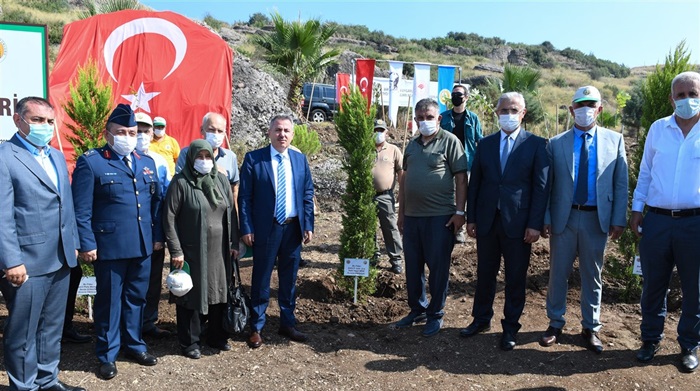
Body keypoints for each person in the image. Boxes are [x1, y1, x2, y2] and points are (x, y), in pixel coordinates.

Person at [72, 103, 163, 380]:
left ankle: (134, 344)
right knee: (109, 302)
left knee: (137, 298)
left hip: (142, 245)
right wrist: (87, 243)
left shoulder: (146, 162)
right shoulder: (92, 161)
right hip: (109, 247)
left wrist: (157, 238)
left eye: (132, 131)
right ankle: (107, 354)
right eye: (121, 131)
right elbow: (82, 209)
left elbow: (154, 204)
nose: (128, 136)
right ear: (108, 133)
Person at [0, 96, 85, 391]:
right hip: (27, 262)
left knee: (51, 328)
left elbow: (67, 205)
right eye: (37, 120)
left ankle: (47, 381)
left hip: (60, 258)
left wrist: (72, 243)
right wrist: (11, 260)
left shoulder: (56, 156)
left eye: (50, 121)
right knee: (24, 332)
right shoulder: (5, 156)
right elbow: (2, 215)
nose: (45, 127)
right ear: (18, 120)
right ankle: (24, 386)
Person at [540, 86, 628, 354]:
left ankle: (591, 327)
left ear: (599, 109)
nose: (585, 109)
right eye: (580, 104)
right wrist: (545, 217)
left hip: (596, 219)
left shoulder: (615, 140)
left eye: (591, 104)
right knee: (558, 274)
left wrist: (619, 219)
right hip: (563, 219)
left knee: (593, 275)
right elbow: (548, 185)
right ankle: (555, 323)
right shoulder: (555, 143)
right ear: (571, 109)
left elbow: (620, 183)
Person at [461, 92, 550, 350]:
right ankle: (480, 319)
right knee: (485, 274)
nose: (508, 115)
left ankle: (510, 327)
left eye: (514, 110)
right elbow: (475, 183)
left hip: (520, 224)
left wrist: (535, 223)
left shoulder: (536, 144)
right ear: (496, 113)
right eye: (504, 110)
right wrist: (472, 217)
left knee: (515, 278)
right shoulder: (485, 144)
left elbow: (541, 187)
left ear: (523, 114)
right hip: (488, 221)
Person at [629, 71, 700, 373]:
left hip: (695, 223)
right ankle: (650, 339)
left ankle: (689, 345)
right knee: (654, 285)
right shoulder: (659, 129)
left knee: (694, 288)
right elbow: (645, 171)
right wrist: (636, 208)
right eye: (680, 95)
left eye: (692, 93)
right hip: (656, 221)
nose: (686, 100)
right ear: (671, 98)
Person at [239, 114, 314, 349]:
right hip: (266, 229)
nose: (282, 135)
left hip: (293, 228)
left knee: (289, 278)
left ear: (292, 134)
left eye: (287, 131)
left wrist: (308, 225)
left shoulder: (299, 160)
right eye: (278, 130)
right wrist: (247, 227)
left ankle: (287, 323)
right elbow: (245, 198)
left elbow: (308, 194)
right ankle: (257, 326)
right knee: (261, 278)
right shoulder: (254, 159)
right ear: (269, 133)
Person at [393, 98, 468, 337]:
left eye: (429, 117)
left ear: (439, 119)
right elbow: (404, 179)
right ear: (415, 120)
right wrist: (401, 212)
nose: (425, 121)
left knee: (438, 268)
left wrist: (459, 212)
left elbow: (461, 177)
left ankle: (436, 314)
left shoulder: (450, 142)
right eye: (421, 118)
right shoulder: (412, 146)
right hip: (412, 218)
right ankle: (418, 309)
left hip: (440, 217)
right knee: (413, 268)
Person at [164, 139, 239, 359]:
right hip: (191, 250)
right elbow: (168, 218)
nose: (205, 161)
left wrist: (234, 242)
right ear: (191, 158)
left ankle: (216, 335)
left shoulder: (222, 181)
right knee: (190, 294)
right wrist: (176, 250)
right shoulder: (181, 183)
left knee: (219, 290)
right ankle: (190, 342)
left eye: (208, 157)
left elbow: (231, 214)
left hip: (220, 250)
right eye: (200, 157)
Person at [135, 112, 173, 339]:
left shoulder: (159, 162)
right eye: (136, 131)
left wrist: (160, 235)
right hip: (128, 235)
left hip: (152, 234)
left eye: (145, 131)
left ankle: (148, 322)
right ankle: (128, 325)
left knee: (152, 281)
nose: (141, 135)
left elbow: (164, 201)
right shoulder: (118, 158)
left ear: (152, 134)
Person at [440, 84, 483, 243]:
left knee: (464, 194)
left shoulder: (473, 118)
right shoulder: (443, 117)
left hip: (467, 161)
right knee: (449, 193)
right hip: (446, 161)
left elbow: (479, 140)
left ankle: (460, 229)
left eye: (458, 94)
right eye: (453, 94)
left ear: (466, 97)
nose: (455, 97)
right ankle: (447, 224)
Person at [176, 112, 239, 210]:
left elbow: (234, 189)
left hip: (221, 215)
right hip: (194, 211)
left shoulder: (230, 157)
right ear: (202, 130)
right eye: (211, 130)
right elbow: (178, 185)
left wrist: (236, 218)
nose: (216, 134)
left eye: (220, 131)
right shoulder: (187, 153)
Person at [371, 119, 404, 274]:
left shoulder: (393, 150)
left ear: (386, 132)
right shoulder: (365, 149)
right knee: (368, 228)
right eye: (376, 130)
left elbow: (401, 172)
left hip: (385, 196)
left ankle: (396, 260)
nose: (378, 133)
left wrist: (401, 192)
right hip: (367, 196)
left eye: (381, 130)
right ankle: (372, 257)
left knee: (390, 228)